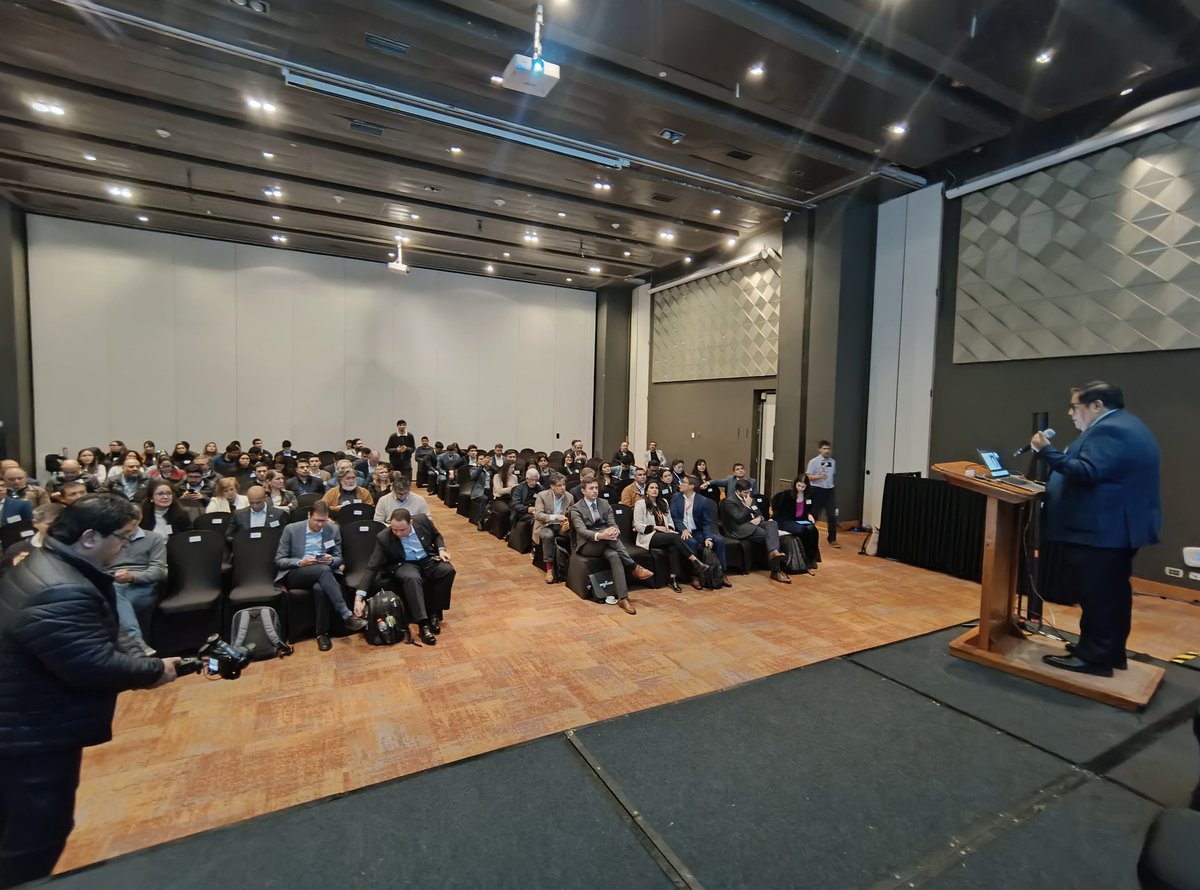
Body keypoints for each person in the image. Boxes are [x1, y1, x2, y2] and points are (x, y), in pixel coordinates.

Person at [0, 493, 178, 886]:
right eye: (123, 537)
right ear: (90, 537)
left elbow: (97, 630)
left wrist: (134, 651)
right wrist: (154, 670)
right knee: (33, 842)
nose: (126, 546)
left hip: (22, 720)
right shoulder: (61, 588)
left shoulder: (44, 563)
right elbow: (91, 663)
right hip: (30, 734)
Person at [1032, 381, 1161, 677]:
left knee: (1097, 596)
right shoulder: (1126, 425)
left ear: (1097, 405)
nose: (1070, 413)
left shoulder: (1109, 429)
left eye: (1074, 406)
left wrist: (1046, 451)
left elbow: (1087, 471)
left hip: (1102, 531)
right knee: (1111, 594)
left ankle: (1094, 659)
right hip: (1112, 529)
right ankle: (1109, 653)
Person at [275, 502, 367, 652]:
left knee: (321, 588)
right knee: (323, 571)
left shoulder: (332, 530)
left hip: (324, 572)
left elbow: (339, 558)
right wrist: (301, 562)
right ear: (309, 516)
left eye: (323, 521)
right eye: (317, 520)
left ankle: (322, 634)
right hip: (297, 573)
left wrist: (331, 560)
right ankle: (346, 615)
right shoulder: (291, 529)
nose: (320, 524)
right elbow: (280, 560)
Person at [355, 508, 454, 646]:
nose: (398, 533)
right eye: (394, 529)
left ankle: (434, 613)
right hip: (404, 563)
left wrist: (441, 550)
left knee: (448, 570)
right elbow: (372, 567)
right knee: (412, 578)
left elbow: (436, 536)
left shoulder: (423, 520)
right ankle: (423, 624)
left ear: (411, 523)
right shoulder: (384, 537)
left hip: (427, 559)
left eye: (402, 530)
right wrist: (359, 597)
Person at [569, 479, 654, 613]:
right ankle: (633, 567)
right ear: (583, 491)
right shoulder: (576, 508)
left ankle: (623, 598)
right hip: (587, 545)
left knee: (614, 555)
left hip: (606, 540)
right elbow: (582, 531)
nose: (595, 491)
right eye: (591, 488)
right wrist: (602, 535)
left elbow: (612, 523)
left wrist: (615, 530)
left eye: (596, 488)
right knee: (610, 539)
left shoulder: (604, 503)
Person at [634, 480, 710, 592]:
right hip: (648, 535)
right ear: (646, 491)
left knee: (673, 546)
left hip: (665, 534)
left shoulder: (663, 502)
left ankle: (673, 578)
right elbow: (638, 526)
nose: (654, 490)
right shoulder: (640, 503)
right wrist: (656, 527)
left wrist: (669, 529)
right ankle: (695, 561)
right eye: (651, 488)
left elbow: (669, 520)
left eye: (656, 488)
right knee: (674, 538)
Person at [720, 479, 789, 583]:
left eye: (749, 492)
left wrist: (759, 518)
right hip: (741, 528)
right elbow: (738, 518)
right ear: (738, 491)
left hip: (755, 523)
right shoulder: (729, 502)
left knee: (772, 524)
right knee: (770, 536)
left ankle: (774, 552)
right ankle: (776, 570)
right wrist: (747, 506)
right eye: (745, 492)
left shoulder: (750, 499)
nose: (748, 495)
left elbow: (759, 513)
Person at [670, 475, 731, 586]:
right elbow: (675, 517)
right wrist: (683, 529)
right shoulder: (676, 497)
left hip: (697, 531)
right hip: (682, 532)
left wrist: (708, 537)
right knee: (692, 542)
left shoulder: (703, 501)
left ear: (691, 486)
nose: (680, 484)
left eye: (683, 482)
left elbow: (706, 523)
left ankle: (721, 573)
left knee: (719, 541)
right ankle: (695, 576)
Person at [771, 476, 820, 572]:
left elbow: (810, 509)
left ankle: (811, 557)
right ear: (795, 484)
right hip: (787, 520)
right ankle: (804, 558)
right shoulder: (787, 495)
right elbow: (779, 511)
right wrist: (772, 519)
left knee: (813, 530)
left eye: (803, 486)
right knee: (803, 530)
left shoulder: (809, 495)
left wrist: (810, 514)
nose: (800, 488)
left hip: (801, 520)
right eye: (799, 485)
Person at [1, 502, 61, 577]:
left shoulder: (73, 548)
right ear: (35, 523)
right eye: (50, 524)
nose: (58, 528)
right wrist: (14, 568)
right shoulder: (16, 550)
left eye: (62, 524)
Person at [532, 472, 573, 582]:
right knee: (547, 536)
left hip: (562, 526)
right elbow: (538, 515)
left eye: (564, 484)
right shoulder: (542, 496)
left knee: (575, 534)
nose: (563, 488)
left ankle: (571, 565)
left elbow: (572, 514)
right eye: (559, 485)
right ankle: (549, 569)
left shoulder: (569, 497)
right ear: (552, 486)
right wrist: (555, 517)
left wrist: (568, 523)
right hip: (545, 525)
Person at [805, 440, 839, 548]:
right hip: (817, 490)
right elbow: (807, 477)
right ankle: (807, 536)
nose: (827, 451)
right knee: (814, 515)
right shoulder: (813, 462)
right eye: (824, 448)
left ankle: (832, 539)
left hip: (829, 490)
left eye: (828, 449)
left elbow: (832, 475)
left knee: (832, 515)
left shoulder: (833, 462)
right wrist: (818, 477)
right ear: (819, 449)